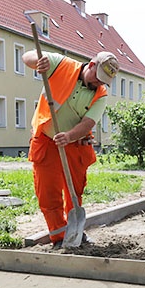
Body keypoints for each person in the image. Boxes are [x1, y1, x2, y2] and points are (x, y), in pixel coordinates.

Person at [22, 48, 119, 247]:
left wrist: (69, 136)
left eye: (103, 81)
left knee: (74, 191)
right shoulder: (62, 64)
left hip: (75, 144)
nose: (98, 83)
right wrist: (38, 63)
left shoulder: (101, 94)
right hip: (46, 141)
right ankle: (58, 237)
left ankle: (75, 233)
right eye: (97, 77)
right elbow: (28, 56)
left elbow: (88, 123)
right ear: (91, 64)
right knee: (48, 193)